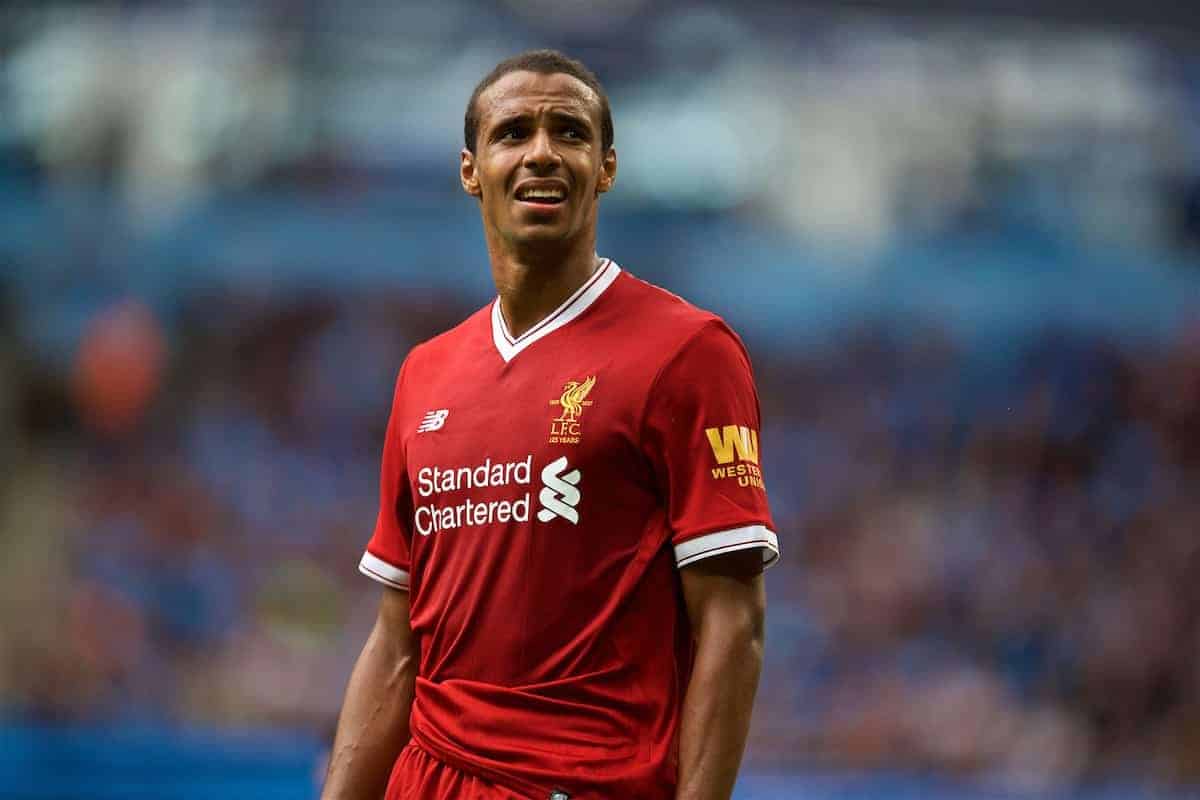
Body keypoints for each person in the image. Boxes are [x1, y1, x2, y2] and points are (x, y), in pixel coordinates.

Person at [320, 49, 778, 800]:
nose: (541, 151)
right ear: (472, 170)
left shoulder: (689, 352)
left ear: (605, 168)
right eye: (513, 132)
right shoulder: (424, 374)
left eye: (569, 131)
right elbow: (396, 644)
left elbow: (733, 624)